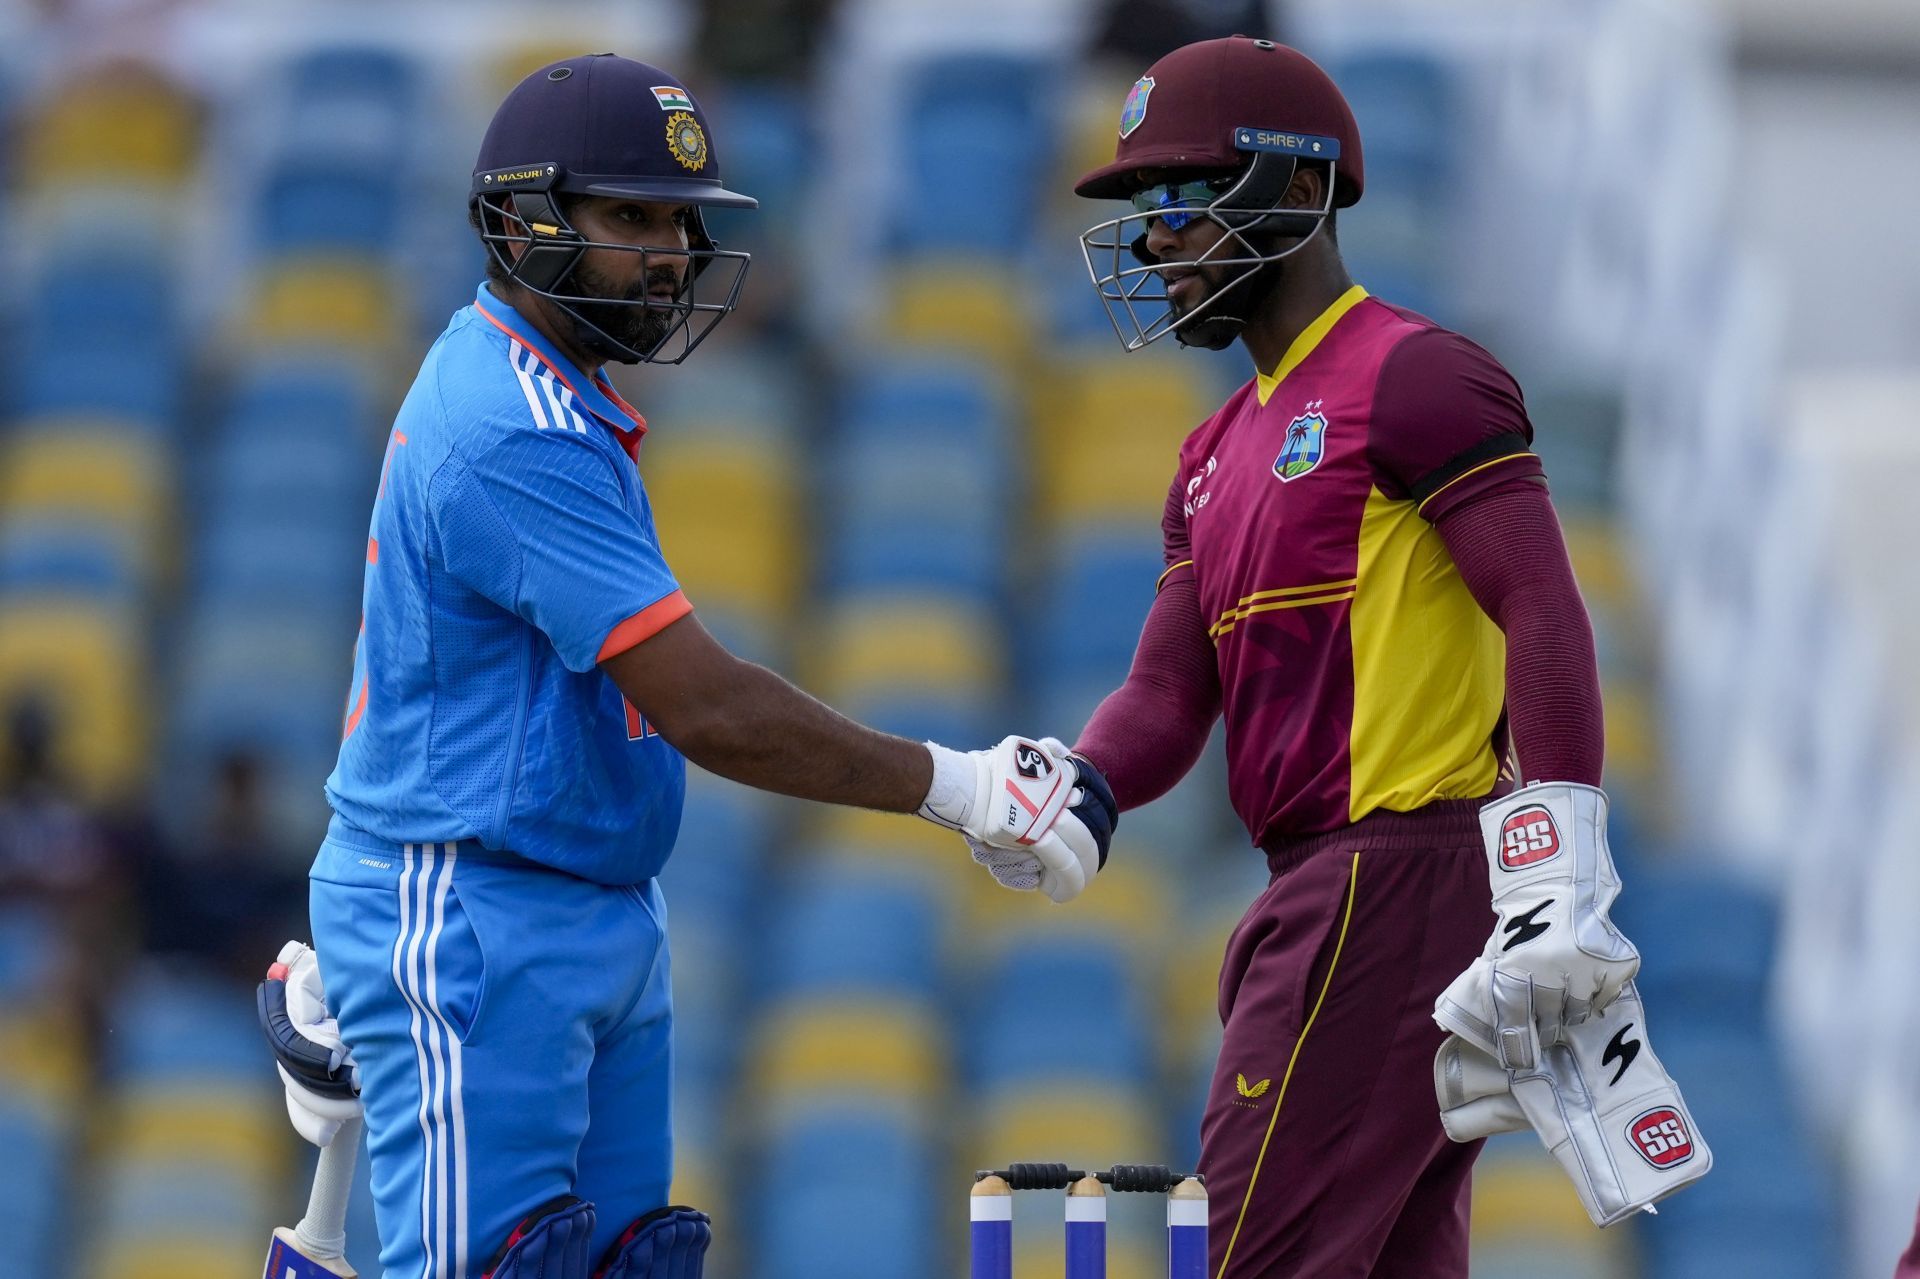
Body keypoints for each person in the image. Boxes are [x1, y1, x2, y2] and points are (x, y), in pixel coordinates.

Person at [295, 53, 1115, 1279]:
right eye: (630, 215)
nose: (669, 250)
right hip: (471, 913)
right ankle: (360, 988)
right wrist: (960, 785)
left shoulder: (565, 397)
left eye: (679, 220)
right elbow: (706, 707)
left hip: (596, 901)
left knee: (629, 1262)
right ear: (520, 220)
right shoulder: (509, 420)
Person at [1067, 36, 1638, 1277]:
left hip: (1393, 878)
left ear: (1290, 191)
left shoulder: (1416, 375)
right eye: (1140, 210)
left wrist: (1561, 862)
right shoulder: (1211, 454)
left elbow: (1540, 608)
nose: (1152, 240)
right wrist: (1078, 787)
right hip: (1326, 889)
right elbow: (1168, 694)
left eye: (1177, 198)